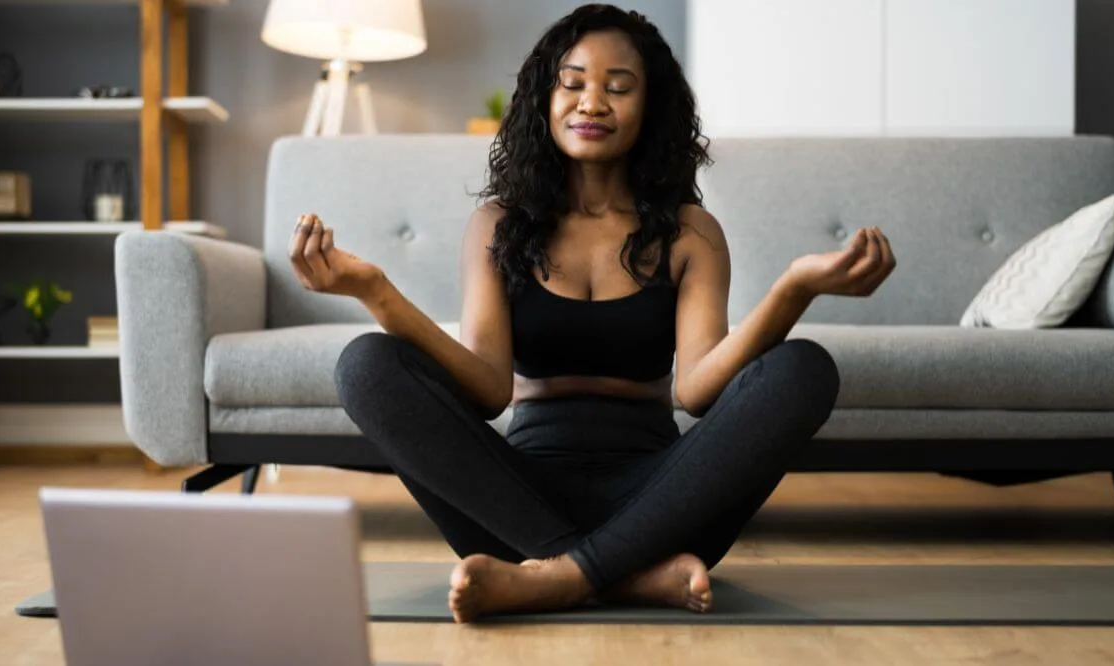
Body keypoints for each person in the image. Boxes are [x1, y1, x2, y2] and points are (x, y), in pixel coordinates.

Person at [287, 4, 895, 623]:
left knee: (804, 369)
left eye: (618, 87)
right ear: (543, 100)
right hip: (516, 507)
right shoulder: (498, 227)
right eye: (572, 83)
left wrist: (793, 289)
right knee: (366, 363)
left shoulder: (691, 233)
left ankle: (562, 578)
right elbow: (490, 390)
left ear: (650, 106)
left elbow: (699, 389)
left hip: (664, 505)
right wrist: (376, 291)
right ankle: (620, 578)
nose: (592, 103)